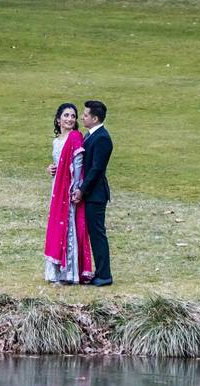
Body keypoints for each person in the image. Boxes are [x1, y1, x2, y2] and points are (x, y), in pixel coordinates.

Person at [44, 103, 94, 285]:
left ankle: (68, 273)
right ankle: (55, 271)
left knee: (69, 226)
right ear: (58, 119)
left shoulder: (75, 138)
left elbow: (78, 165)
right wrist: (51, 168)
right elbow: (59, 164)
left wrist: (76, 189)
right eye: (66, 115)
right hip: (57, 189)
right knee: (57, 227)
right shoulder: (56, 141)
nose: (70, 119)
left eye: (73, 116)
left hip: (70, 190)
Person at [72, 100, 113, 287]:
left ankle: (104, 274)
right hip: (91, 194)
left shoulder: (102, 138)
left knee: (97, 234)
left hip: (95, 195)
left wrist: (81, 190)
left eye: (86, 115)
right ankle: (100, 272)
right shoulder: (90, 136)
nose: (82, 117)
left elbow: (96, 169)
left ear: (95, 118)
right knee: (94, 233)